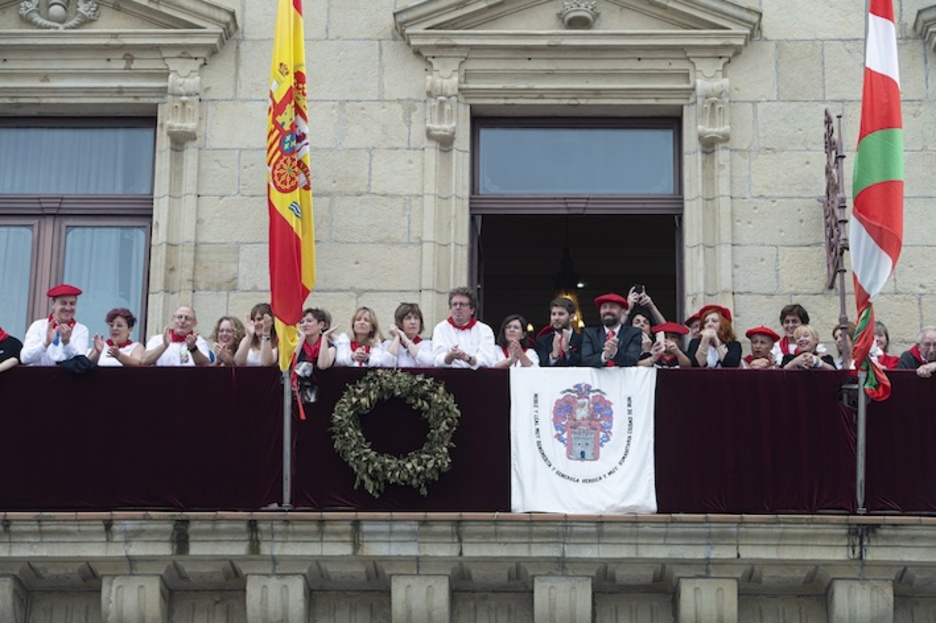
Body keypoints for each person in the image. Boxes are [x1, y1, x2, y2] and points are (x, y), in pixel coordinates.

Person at [20, 284, 90, 366]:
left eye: (72, 304)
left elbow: (80, 362)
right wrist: (45, 343)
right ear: (53, 304)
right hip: (38, 377)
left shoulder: (81, 330)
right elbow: (25, 358)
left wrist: (67, 343)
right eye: (63, 303)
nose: (68, 308)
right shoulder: (38, 326)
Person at [431, 286, 496, 369]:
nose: (458, 307)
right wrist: (450, 356)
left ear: (472, 310)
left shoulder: (484, 330)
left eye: (462, 304)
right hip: (447, 376)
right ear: (450, 308)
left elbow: (487, 360)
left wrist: (467, 358)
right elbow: (436, 359)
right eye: (454, 304)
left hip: (477, 377)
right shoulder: (440, 328)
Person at [581, 292, 642, 367]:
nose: (607, 310)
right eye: (604, 307)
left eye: (612, 307)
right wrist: (604, 356)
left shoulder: (634, 333)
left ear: (622, 312)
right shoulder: (590, 333)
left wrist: (615, 353)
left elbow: (633, 360)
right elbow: (585, 360)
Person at [294, 307, 338, 403]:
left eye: (309, 321)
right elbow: (290, 364)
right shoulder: (296, 344)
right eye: (301, 322)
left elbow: (322, 365)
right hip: (297, 397)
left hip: (323, 395)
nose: (304, 325)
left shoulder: (331, 347)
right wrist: (301, 339)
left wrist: (325, 337)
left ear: (321, 325)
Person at [142, 306, 211, 366]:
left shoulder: (199, 341)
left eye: (187, 318)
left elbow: (205, 364)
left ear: (194, 323)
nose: (183, 321)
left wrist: (193, 348)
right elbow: (144, 361)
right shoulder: (157, 339)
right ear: (173, 320)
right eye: (179, 317)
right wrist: (164, 346)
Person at [380, 302, 434, 367]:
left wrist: (406, 341)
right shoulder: (388, 344)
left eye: (416, 318)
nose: (413, 322)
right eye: (408, 318)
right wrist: (397, 337)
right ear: (400, 322)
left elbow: (428, 363)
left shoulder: (427, 345)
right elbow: (385, 364)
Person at [534, 297, 582, 367]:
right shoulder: (543, 341)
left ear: (571, 317)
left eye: (561, 314)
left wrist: (567, 352)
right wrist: (553, 356)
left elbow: (584, 363)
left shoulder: (582, 339)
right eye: (553, 314)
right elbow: (540, 367)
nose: (556, 318)